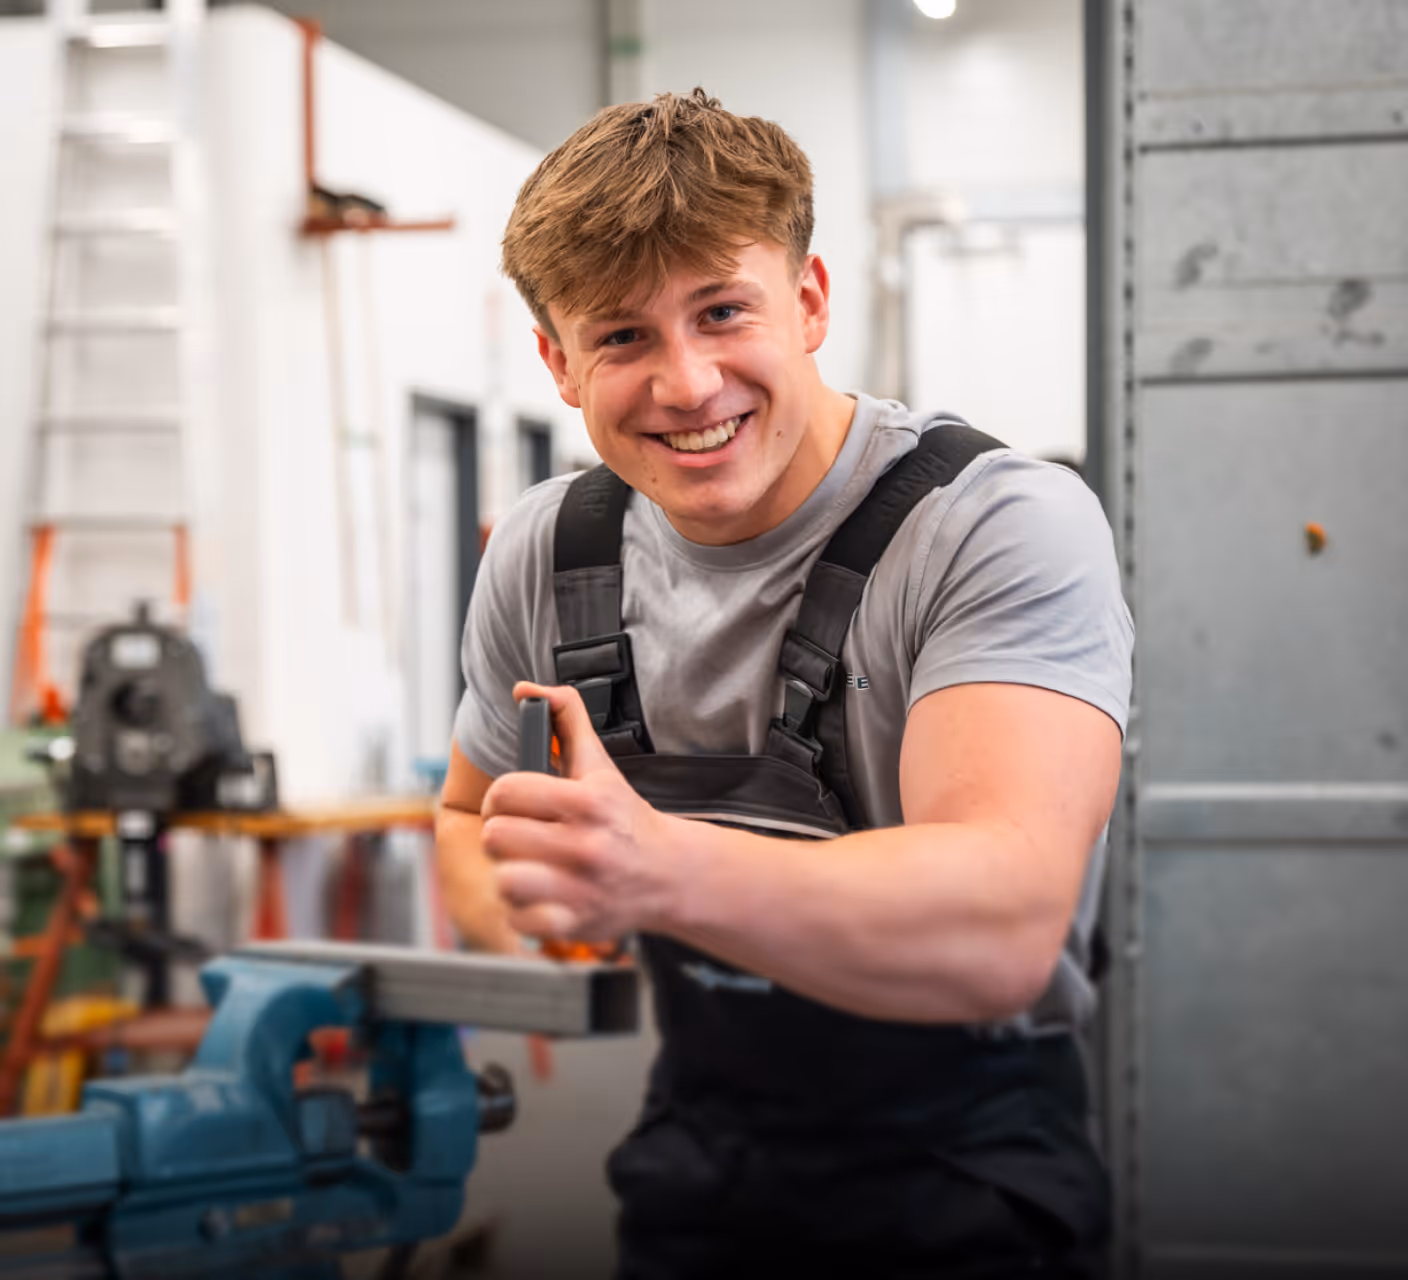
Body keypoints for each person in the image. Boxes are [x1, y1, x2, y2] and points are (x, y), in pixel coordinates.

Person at [436, 87, 1133, 1279]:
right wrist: (545, 916)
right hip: (698, 1161)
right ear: (556, 361)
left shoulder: (992, 525)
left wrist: (649, 869)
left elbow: (1005, 918)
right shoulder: (550, 552)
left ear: (806, 302)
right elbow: (467, 813)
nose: (689, 382)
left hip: (969, 1181)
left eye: (722, 311)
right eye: (622, 336)